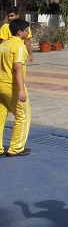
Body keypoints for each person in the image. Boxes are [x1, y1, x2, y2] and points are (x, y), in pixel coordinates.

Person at [0, 19, 32, 157]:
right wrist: (21, 90)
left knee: (1, 116)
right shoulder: (19, 46)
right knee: (23, 115)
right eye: (27, 30)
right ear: (20, 32)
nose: (28, 33)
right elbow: (17, 68)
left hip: (1, 85)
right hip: (11, 86)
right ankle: (16, 147)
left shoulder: (3, 45)